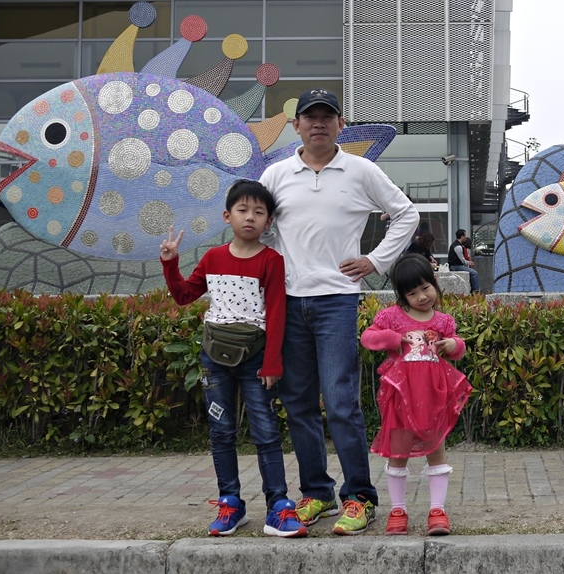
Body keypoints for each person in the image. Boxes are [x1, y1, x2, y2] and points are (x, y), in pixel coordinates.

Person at [259, 88, 419, 536]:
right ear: (296, 126)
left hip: (337, 301)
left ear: (340, 125)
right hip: (288, 301)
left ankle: (360, 497)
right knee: (300, 403)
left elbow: (405, 214)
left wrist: (375, 261)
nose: (318, 124)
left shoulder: (361, 169)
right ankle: (317, 494)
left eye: (327, 117)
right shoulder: (276, 175)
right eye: (310, 117)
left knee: (342, 402)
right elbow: (258, 226)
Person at [159, 180, 306, 538]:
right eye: (243, 210)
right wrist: (170, 263)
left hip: (256, 361)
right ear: (228, 216)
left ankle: (279, 507)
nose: (250, 218)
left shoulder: (272, 261)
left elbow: (275, 315)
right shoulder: (213, 258)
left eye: (259, 212)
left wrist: (272, 363)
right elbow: (183, 296)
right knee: (221, 432)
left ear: (269, 221)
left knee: (267, 433)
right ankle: (230, 504)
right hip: (215, 360)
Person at [360, 254, 472, 536]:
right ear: (402, 295)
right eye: (412, 292)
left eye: (426, 288)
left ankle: (437, 510)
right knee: (398, 454)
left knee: (437, 452)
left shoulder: (444, 321)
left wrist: (453, 343)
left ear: (434, 284)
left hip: (434, 398)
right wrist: (394, 339)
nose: (422, 296)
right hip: (400, 400)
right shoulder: (391, 318)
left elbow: (459, 349)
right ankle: (398, 509)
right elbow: (368, 338)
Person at [447, 229, 480, 293]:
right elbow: (462, 260)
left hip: (455, 265)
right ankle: (475, 291)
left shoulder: (456, 245)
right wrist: (468, 262)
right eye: (465, 235)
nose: (466, 237)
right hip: (455, 266)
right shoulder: (458, 247)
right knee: (474, 273)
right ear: (462, 236)